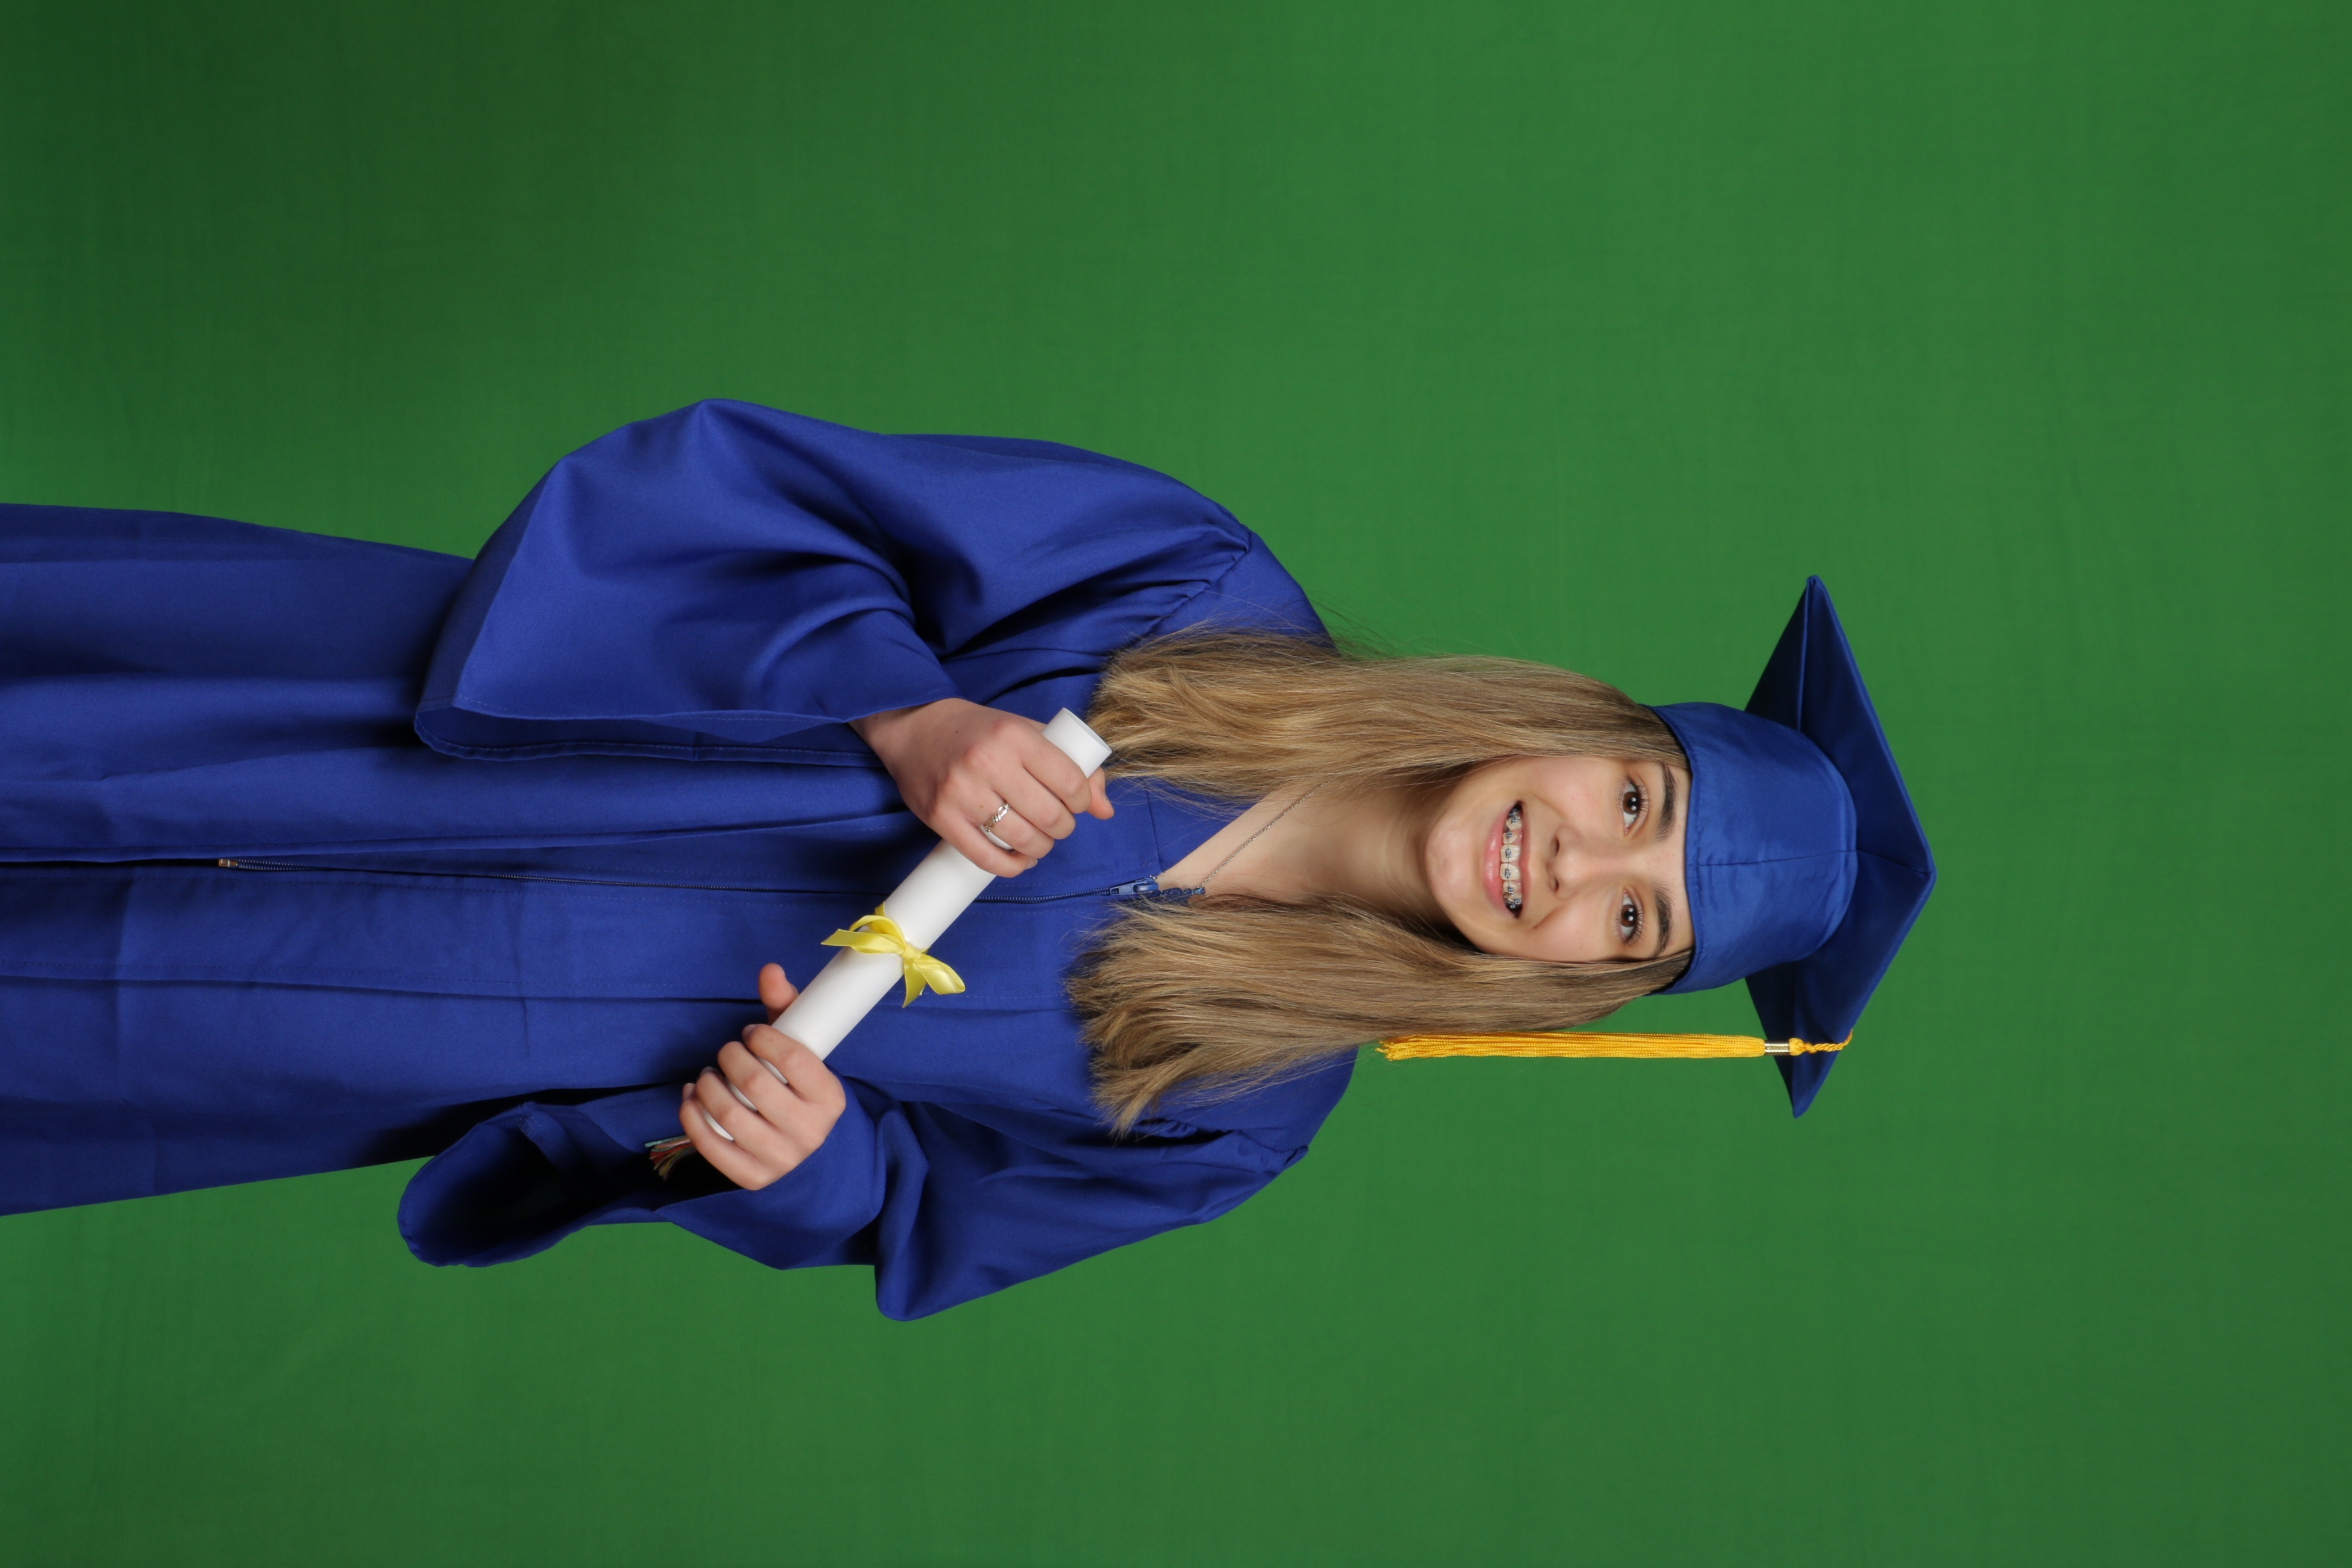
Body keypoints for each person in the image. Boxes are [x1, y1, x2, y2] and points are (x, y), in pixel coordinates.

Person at [0, 400, 1932, 1318]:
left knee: (66, 1034)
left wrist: (800, 1159)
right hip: (390, 744)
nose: (1574, 865)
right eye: (1635, 803)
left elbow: (909, 1211)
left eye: (1632, 922)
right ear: (1581, 720)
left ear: (1582, 986)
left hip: (373, 1023)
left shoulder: (1238, 1114)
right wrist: (904, 710)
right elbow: (763, 492)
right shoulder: (1188, 597)